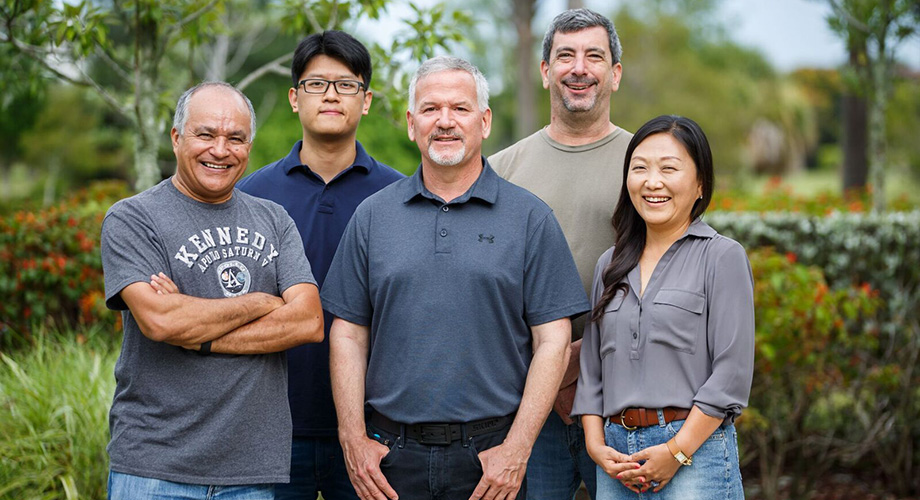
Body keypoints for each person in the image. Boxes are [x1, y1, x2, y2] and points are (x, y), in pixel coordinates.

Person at [321, 56, 590, 500]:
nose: (445, 121)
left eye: (460, 108)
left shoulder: (530, 218)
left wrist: (518, 449)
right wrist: (352, 438)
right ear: (411, 124)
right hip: (389, 461)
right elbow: (348, 335)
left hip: (490, 459)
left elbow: (554, 342)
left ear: (484, 121)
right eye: (430, 109)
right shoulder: (372, 216)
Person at [101, 81, 324, 500]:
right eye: (206, 134)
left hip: (250, 471)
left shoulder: (274, 219)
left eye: (235, 138)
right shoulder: (132, 218)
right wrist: (261, 301)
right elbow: (160, 319)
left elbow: (308, 322)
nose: (220, 150)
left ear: (249, 145)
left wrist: (197, 335)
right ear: (176, 138)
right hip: (154, 468)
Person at [237, 30, 404, 500]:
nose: (331, 94)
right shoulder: (252, 196)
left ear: (366, 100)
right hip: (270, 424)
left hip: (375, 431)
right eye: (316, 84)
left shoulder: (399, 197)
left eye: (346, 84)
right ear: (294, 98)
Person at [489, 8, 632, 499]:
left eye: (595, 56)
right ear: (544, 69)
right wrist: (546, 379)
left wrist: (576, 363)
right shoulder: (500, 169)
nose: (579, 68)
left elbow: (673, 277)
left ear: (614, 72)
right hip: (526, 410)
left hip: (621, 402)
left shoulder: (647, 165)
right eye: (565, 55)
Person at [572, 115, 754, 499]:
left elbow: (732, 373)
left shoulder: (722, 257)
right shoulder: (610, 263)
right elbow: (591, 369)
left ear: (700, 183)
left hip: (694, 455)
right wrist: (595, 445)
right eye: (639, 168)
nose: (652, 182)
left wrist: (676, 450)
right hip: (615, 457)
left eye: (669, 168)